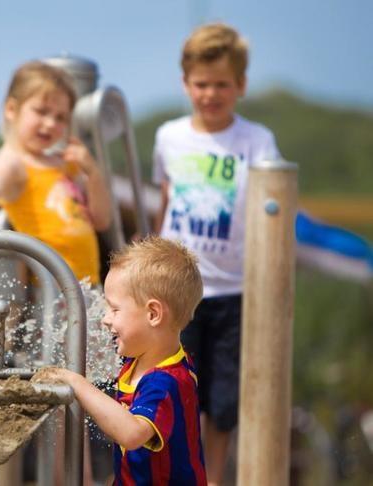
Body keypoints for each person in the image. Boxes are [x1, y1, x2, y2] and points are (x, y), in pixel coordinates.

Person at [152, 23, 282, 485]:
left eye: (221, 84)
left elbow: (274, 207)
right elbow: (164, 202)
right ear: (186, 84)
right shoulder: (169, 136)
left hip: (235, 290)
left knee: (224, 405)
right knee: (174, 391)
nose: (211, 93)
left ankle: (214, 477)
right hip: (179, 290)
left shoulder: (256, 140)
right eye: (201, 84)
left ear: (240, 85)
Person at [43, 236, 206, 485]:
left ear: (153, 314)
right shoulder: (139, 361)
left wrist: (79, 384)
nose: (106, 319)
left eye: (115, 309)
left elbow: (131, 434)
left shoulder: (167, 381)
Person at [0, 60, 112, 285]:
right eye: (41, 111)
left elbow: (101, 221)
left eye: (61, 117)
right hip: (46, 289)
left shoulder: (65, 165)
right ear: (12, 109)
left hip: (86, 287)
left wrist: (93, 173)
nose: (50, 123)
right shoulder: (15, 162)